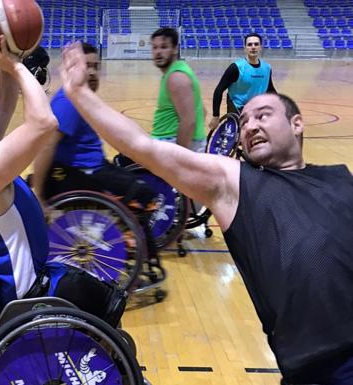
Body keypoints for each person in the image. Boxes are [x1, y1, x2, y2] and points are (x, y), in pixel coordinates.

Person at [59, 42, 353, 384]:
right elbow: (144, 147)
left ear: (297, 124)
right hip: (318, 366)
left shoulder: (339, 178)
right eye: (244, 122)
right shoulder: (235, 183)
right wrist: (78, 92)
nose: (250, 126)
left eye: (263, 115)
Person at [0, 34, 126, 328]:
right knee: (111, 302)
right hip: (29, 292)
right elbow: (43, 124)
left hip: (29, 281)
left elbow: (1, 107)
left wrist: (7, 58)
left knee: (95, 289)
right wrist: (17, 67)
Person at [33, 42, 160, 262]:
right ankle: (128, 247)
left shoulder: (82, 97)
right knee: (143, 192)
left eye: (95, 66)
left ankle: (131, 242)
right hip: (81, 174)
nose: (91, 72)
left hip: (93, 166)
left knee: (136, 179)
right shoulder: (68, 102)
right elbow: (46, 145)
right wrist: (39, 194)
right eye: (86, 66)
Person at [150, 27, 206, 151]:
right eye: (155, 47)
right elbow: (203, 111)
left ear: (175, 49)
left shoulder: (176, 77)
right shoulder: (177, 71)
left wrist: (179, 155)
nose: (158, 52)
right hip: (173, 141)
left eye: (164, 47)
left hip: (171, 142)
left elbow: (189, 122)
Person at [209, 32, 277, 131]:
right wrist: (215, 116)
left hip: (256, 108)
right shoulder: (236, 68)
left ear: (260, 47)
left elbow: (270, 89)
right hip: (238, 107)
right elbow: (219, 90)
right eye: (250, 45)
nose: (253, 47)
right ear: (245, 48)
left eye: (256, 44)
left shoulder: (267, 68)